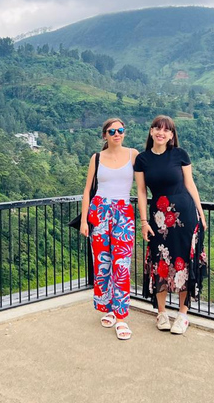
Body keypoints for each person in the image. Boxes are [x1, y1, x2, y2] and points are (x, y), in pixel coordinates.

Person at [133, 115, 207, 334]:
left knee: (184, 262)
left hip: (185, 215)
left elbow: (190, 184)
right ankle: (162, 313)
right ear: (151, 131)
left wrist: (200, 214)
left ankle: (183, 314)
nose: (161, 132)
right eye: (157, 128)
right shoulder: (142, 159)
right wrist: (144, 222)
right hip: (158, 220)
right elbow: (141, 192)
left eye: (166, 130)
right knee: (160, 263)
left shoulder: (180, 155)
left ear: (171, 135)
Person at [79, 118, 142, 340]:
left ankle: (121, 316)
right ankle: (106, 308)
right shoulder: (96, 158)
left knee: (122, 264)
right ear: (104, 135)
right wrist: (85, 220)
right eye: (112, 131)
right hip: (99, 210)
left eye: (120, 130)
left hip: (123, 211)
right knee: (102, 262)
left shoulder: (133, 154)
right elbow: (87, 190)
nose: (117, 134)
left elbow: (142, 188)